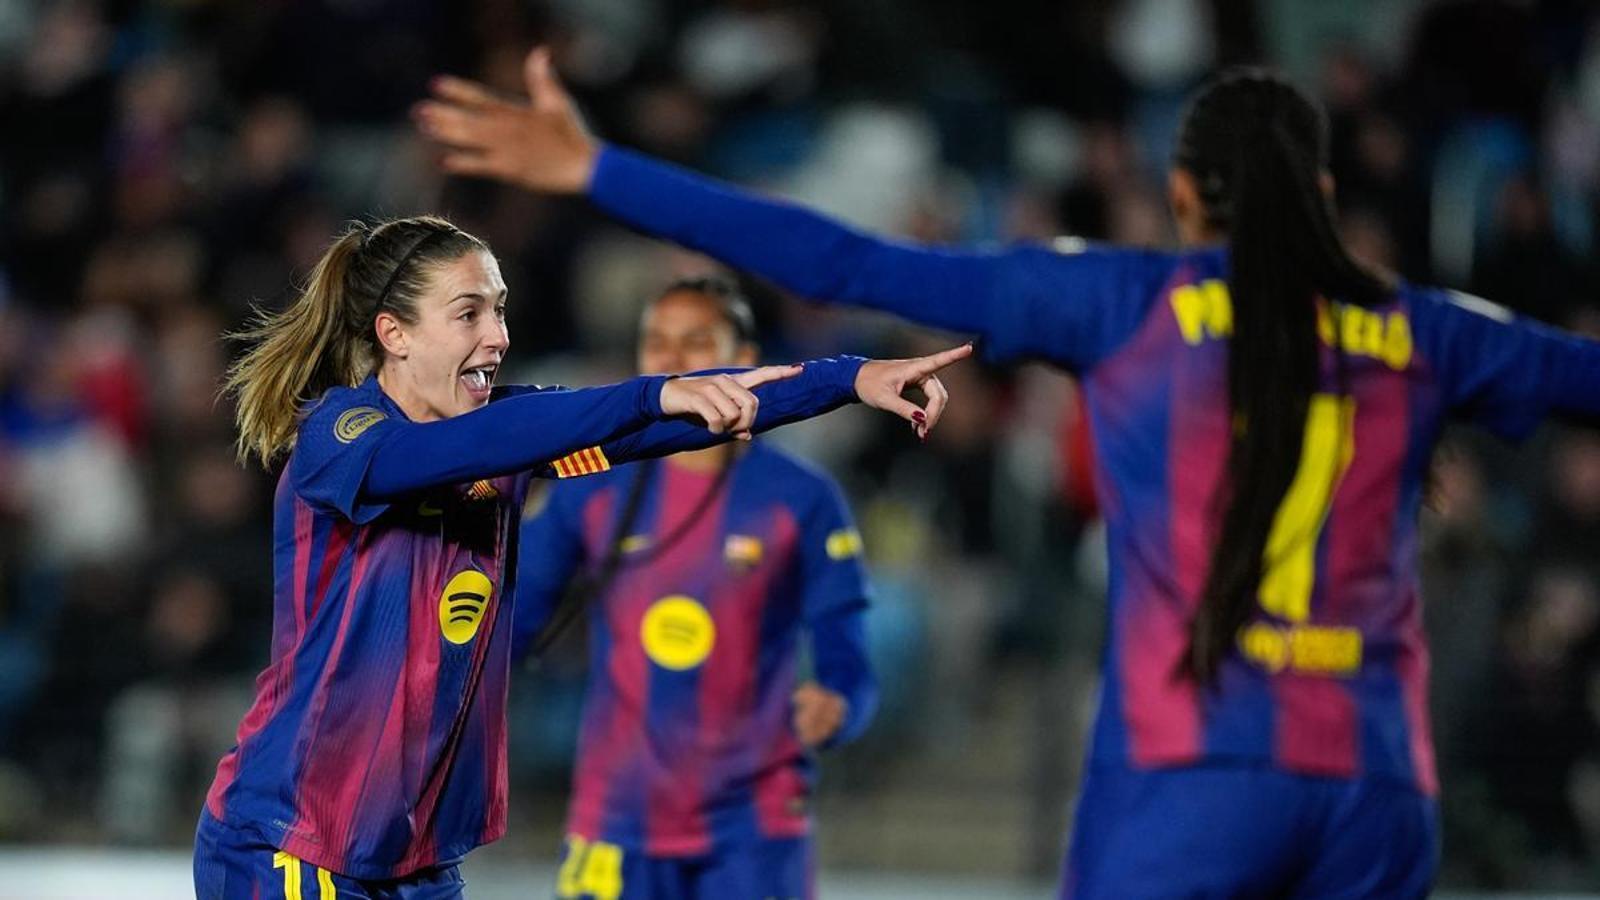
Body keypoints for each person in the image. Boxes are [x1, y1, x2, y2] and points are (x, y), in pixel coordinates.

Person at [415, 54, 1600, 897]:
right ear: (1328, 201)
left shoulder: (1125, 303)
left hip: (1191, 776)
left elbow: (843, 259)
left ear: (1183, 198)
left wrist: (605, 171)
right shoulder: (1435, 331)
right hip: (1379, 786)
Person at [194, 213, 968, 899]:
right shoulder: (341, 437)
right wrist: (646, 395)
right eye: (468, 313)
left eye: (499, 309)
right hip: (292, 842)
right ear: (394, 334)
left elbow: (690, 410)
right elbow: (474, 446)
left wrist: (849, 378)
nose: (496, 334)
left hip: (413, 861)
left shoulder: (513, 428)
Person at [513, 275, 876, 900]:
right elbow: (512, 622)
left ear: (744, 360)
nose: (672, 361)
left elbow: (848, 651)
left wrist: (839, 702)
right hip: (616, 819)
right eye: (655, 343)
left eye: (695, 341)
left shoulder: (802, 498)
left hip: (755, 826)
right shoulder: (591, 482)